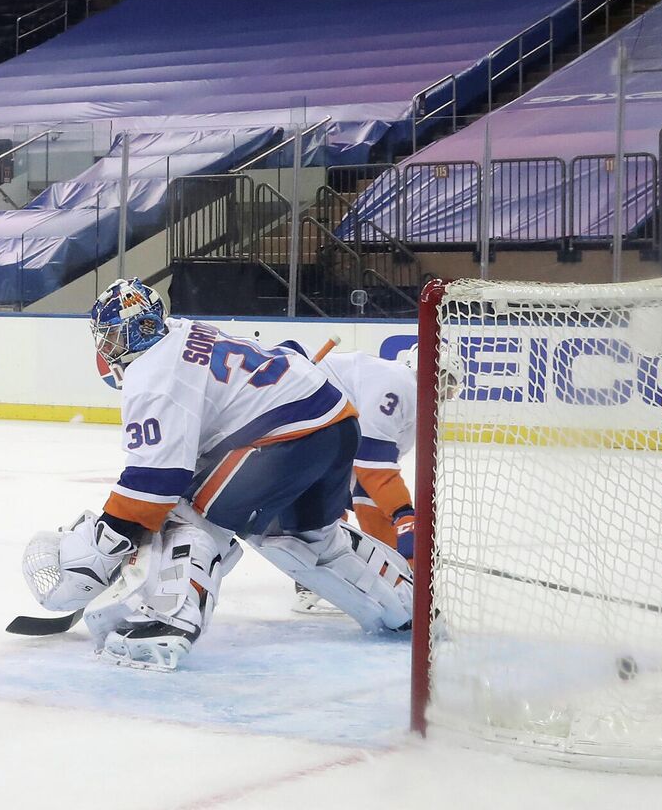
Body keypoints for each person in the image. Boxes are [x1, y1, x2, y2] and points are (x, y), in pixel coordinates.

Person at [23, 279, 414, 672]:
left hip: (286, 436)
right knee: (308, 539)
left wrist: (107, 542)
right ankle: (403, 606)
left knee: (186, 514)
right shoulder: (180, 330)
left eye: (109, 338)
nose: (106, 349)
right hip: (337, 422)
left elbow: (154, 486)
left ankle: (168, 621)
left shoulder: (152, 375)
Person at [274, 341, 418, 616]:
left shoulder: (408, 399)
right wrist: (404, 515)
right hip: (299, 411)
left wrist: (397, 562)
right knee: (321, 497)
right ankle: (312, 578)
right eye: (444, 378)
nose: (447, 390)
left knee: (331, 492)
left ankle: (365, 575)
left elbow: (368, 484)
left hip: (321, 423)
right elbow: (373, 467)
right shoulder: (402, 385)